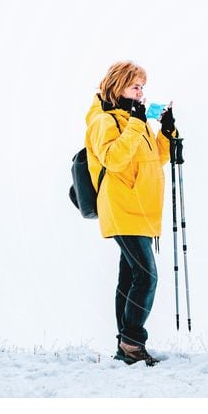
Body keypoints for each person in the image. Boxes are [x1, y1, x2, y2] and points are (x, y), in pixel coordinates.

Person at [84, 60, 177, 366]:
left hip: (142, 210)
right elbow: (114, 159)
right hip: (122, 207)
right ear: (118, 86)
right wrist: (138, 124)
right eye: (136, 86)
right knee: (146, 276)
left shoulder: (132, 119)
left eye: (142, 87)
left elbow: (155, 159)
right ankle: (132, 343)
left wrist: (166, 131)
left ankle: (126, 347)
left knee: (131, 277)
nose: (141, 93)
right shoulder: (104, 121)